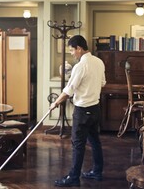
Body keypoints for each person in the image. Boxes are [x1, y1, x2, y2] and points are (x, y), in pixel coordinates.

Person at [50, 35, 106, 187]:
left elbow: (69, 90)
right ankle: (97, 172)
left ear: (79, 49)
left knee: (78, 144)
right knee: (95, 141)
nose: (71, 54)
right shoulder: (99, 62)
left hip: (82, 111)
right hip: (95, 109)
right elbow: (102, 83)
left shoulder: (80, 66)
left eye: (72, 50)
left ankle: (73, 177)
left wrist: (55, 103)